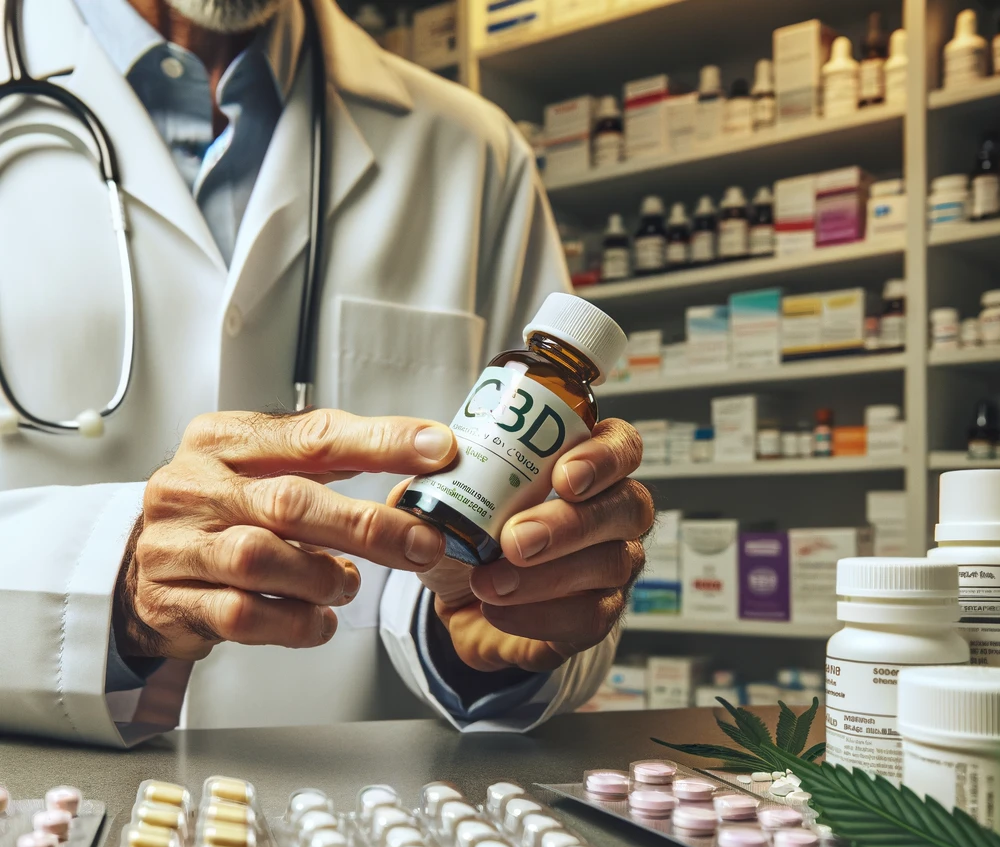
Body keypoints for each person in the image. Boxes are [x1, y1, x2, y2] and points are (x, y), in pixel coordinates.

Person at [0, 0, 652, 746]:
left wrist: (500, 625)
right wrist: (97, 589)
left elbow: (559, 535)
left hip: (367, 813)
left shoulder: (474, 152)